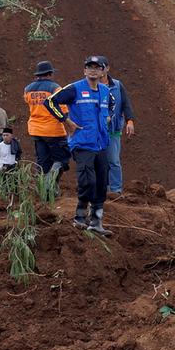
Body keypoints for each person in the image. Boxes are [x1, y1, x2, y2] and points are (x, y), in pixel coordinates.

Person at [44, 56, 116, 235]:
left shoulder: (106, 91)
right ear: (84, 71)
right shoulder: (75, 89)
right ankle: (79, 217)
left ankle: (96, 222)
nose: (93, 70)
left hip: (101, 143)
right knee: (88, 181)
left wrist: (109, 117)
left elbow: (113, 105)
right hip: (82, 142)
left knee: (101, 183)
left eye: (96, 68)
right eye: (89, 67)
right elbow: (49, 102)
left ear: (102, 71)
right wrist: (65, 120)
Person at [24, 61, 71, 182]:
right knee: (62, 159)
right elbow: (64, 111)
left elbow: (29, 103)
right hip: (53, 131)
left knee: (42, 162)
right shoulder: (55, 88)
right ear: (50, 74)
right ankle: (50, 184)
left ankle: (42, 189)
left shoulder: (27, 89)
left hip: (35, 130)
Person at [98, 61, 135, 195]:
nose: (99, 70)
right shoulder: (90, 86)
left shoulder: (117, 85)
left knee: (113, 160)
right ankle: (102, 189)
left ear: (107, 68)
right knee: (99, 161)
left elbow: (126, 104)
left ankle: (116, 190)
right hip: (96, 130)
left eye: (101, 67)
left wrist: (130, 121)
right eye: (95, 68)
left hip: (113, 129)